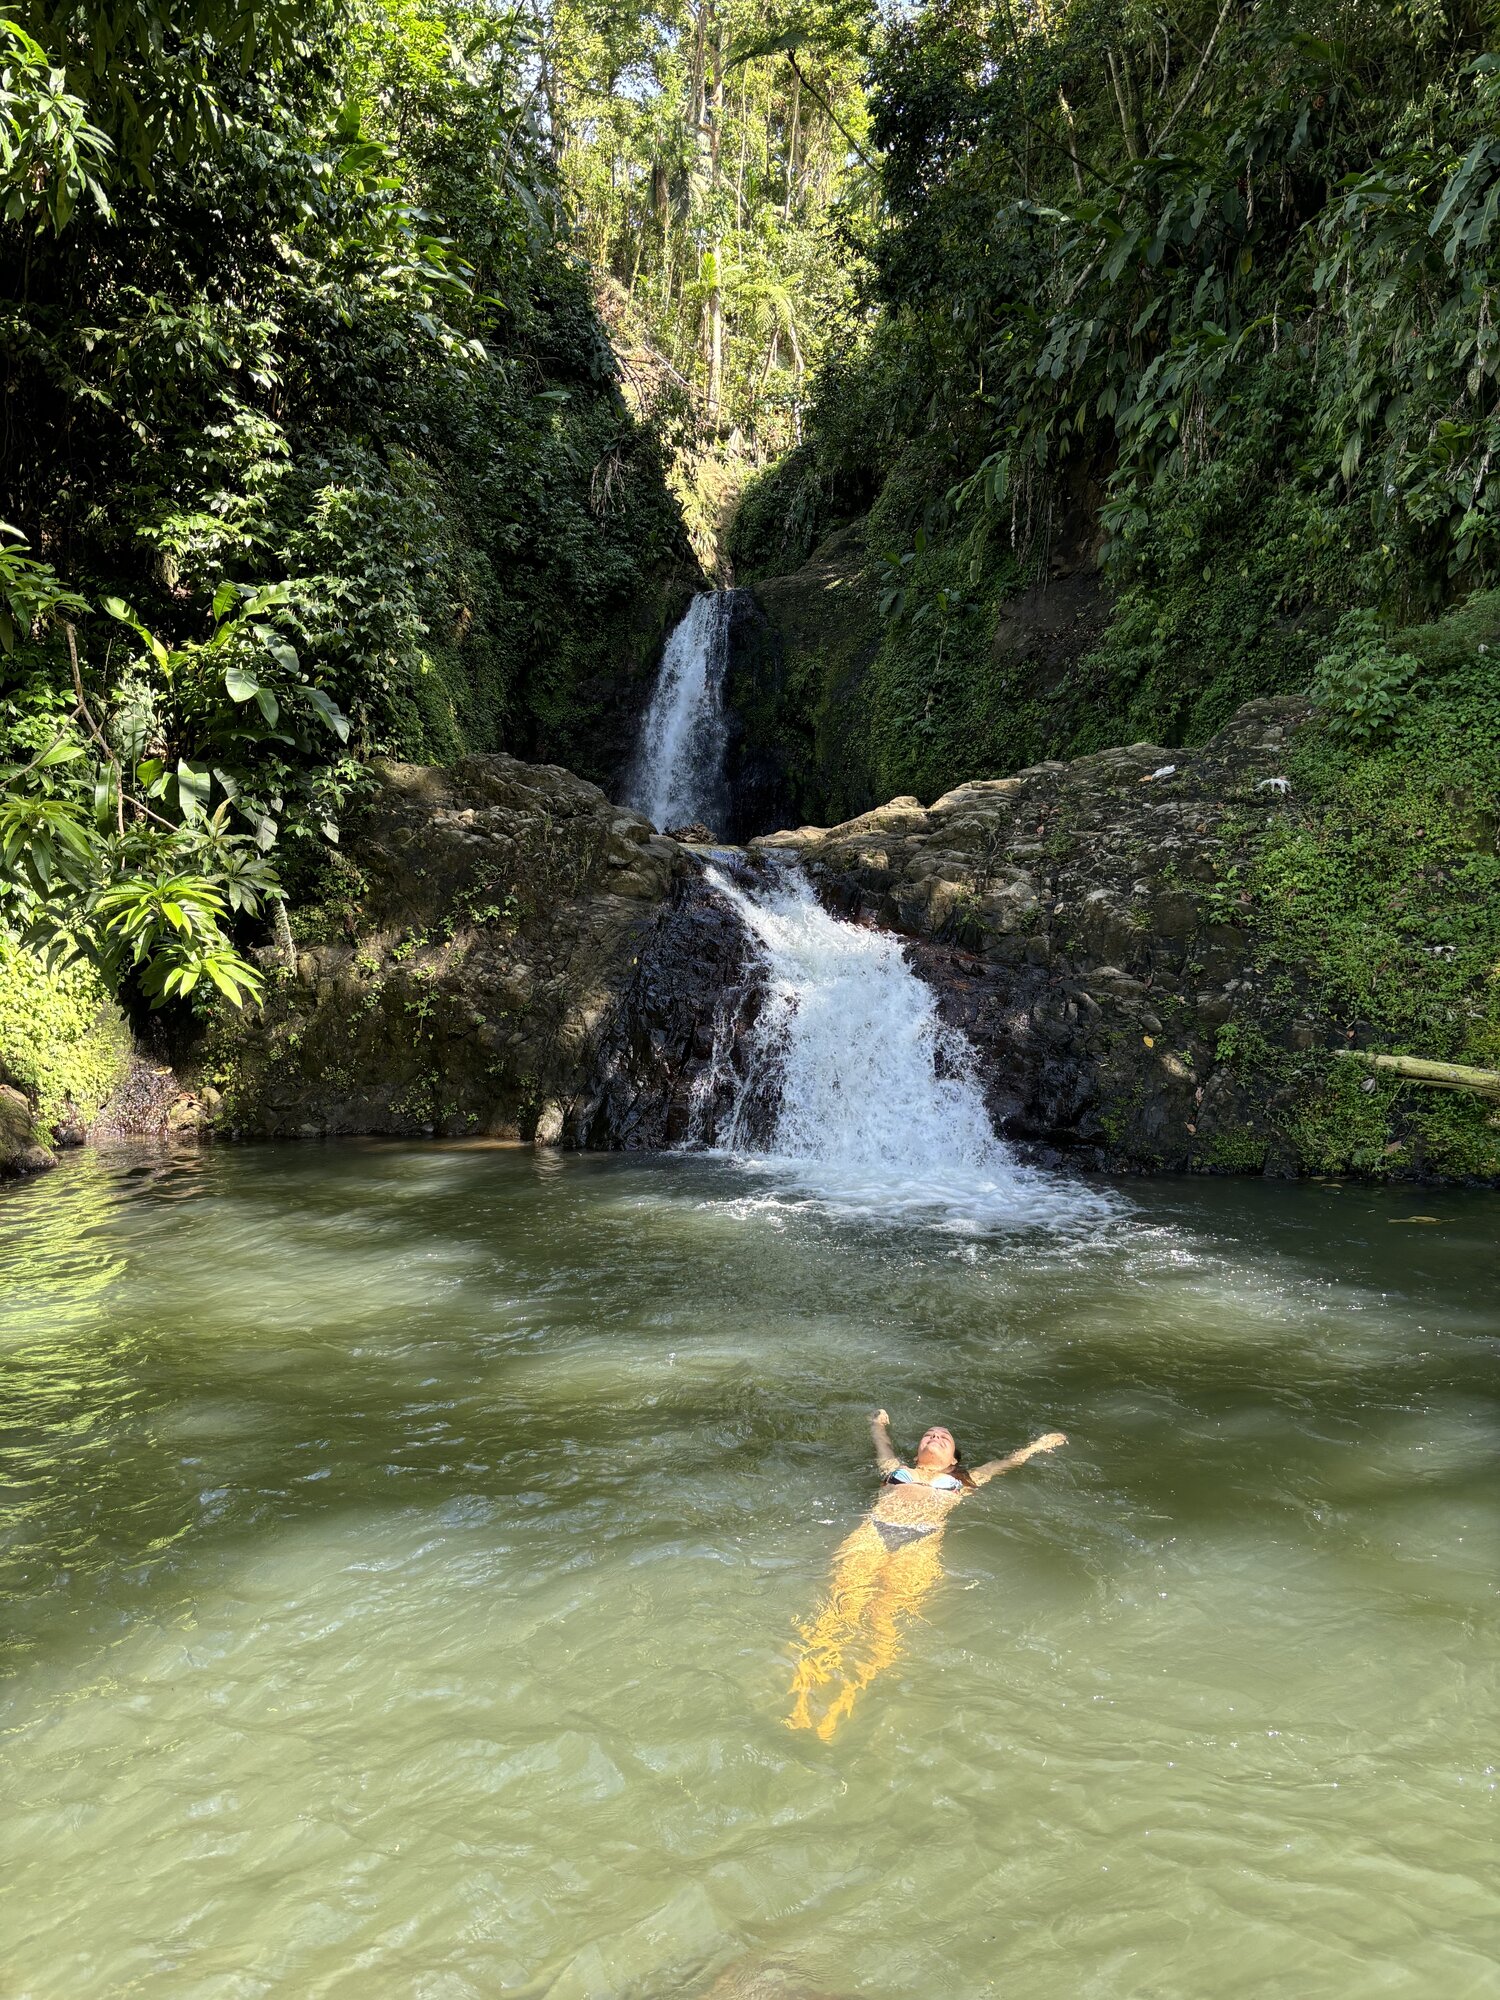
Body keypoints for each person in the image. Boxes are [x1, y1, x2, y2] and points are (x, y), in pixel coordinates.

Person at [785, 1408, 1068, 1740]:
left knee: (883, 1616)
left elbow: (1007, 1462)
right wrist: (878, 1423)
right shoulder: (897, 1470)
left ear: (953, 1458)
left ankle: (848, 1696)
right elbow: (882, 1445)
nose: (935, 1437)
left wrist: (1038, 1446)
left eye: (943, 1437)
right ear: (919, 1448)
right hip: (873, 1532)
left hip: (920, 1541)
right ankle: (799, 1697)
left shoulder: (967, 1479)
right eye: (929, 1435)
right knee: (838, 1609)